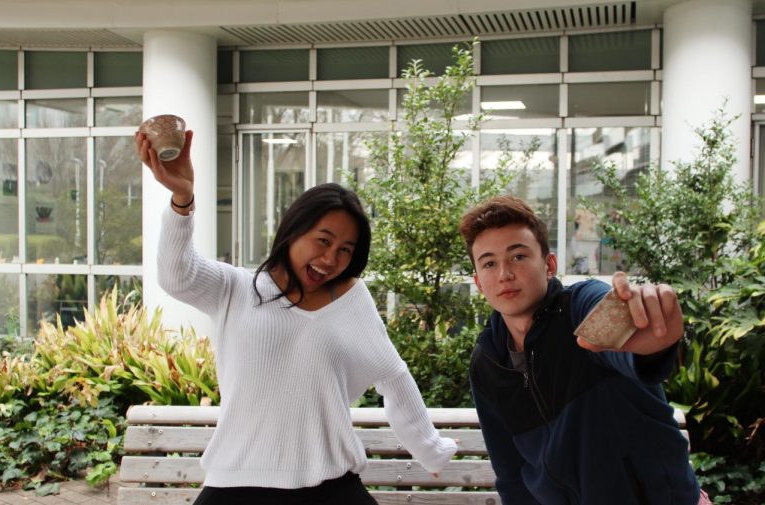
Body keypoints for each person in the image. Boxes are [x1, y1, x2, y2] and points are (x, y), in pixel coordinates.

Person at [136, 129, 457, 505]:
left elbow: (392, 375)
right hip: (236, 485)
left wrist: (431, 450)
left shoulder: (351, 298)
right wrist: (182, 198)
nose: (330, 259)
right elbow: (177, 276)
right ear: (294, 230)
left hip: (332, 486)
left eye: (344, 250)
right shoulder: (235, 289)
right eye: (323, 240)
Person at [458, 195, 709, 505]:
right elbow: (511, 473)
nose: (504, 274)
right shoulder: (488, 362)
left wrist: (647, 336)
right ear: (479, 282)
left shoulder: (579, 307)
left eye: (518, 256)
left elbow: (621, 336)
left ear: (549, 264)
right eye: (489, 263)